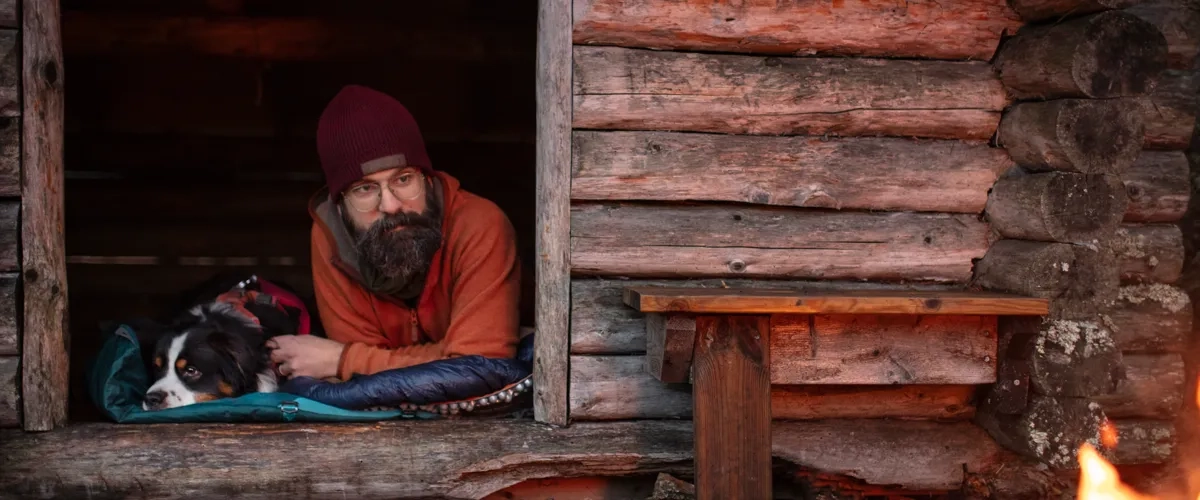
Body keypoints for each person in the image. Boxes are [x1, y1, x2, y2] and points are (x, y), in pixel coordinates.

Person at [266, 84, 522, 382]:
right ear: (340, 207)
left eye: (403, 179)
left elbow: (482, 367)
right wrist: (446, 355)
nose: (390, 205)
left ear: (427, 180)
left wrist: (343, 360)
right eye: (365, 188)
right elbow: (369, 389)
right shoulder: (331, 239)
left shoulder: (479, 224)